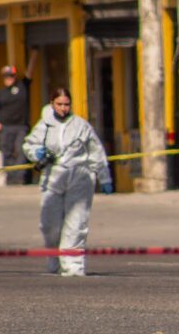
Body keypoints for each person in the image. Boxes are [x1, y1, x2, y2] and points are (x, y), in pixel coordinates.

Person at [22, 88, 113, 277]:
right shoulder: (44, 125)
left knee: (76, 223)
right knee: (49, 224)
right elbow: (29, 144)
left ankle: (73, 266)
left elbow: (96, 151)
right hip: (53, 178)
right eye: (59, 104)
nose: (63, 108)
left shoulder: (81, 126)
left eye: (66, 104)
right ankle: (54, 260)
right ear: (52, 104)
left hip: (80, 177)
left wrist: (104, 177)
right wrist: (36, 153)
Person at [0, 49, 38, 184]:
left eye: (11, 76)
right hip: (5, 126)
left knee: (20, 150)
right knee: (6, 152)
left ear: (15, 76)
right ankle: (10, 177)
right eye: (6, 76)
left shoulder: (22, 86)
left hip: (20, 126)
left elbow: (30, 72)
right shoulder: (0, 93)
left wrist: (34, 56)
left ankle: (19, 177)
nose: (9, 78)